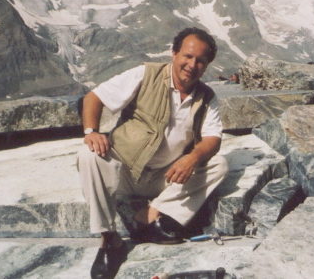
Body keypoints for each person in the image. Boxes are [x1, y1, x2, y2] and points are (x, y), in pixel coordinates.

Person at [77, 27, 229, 279]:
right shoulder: (145, 74)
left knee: (219, 165)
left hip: (164, 177)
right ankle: (109, 240)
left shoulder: (206, 96)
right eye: (187, 56)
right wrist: (91, 131)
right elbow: (94, 97)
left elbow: (213, 137)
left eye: (201, 61)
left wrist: (192, 157)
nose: (192, 65)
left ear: (207, 65)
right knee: (89, 155)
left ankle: (151, 213)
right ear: (174, 53)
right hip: (125, 171)